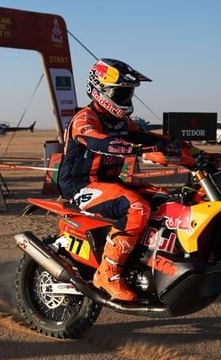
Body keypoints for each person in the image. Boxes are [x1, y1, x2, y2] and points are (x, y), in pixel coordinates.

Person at [57, 58, 189, 302]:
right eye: (120, 93)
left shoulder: (121, 121)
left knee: (165, 200)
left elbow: (147, 137)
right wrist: (135, 149)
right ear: (100, 90)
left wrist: (186, 149)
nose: (126, 98)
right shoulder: (85, 118)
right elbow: (97, 141)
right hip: (80, 185)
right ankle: (108, 273)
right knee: (137, 207)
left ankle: (145, 262)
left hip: (109, 182)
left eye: (128, 93)